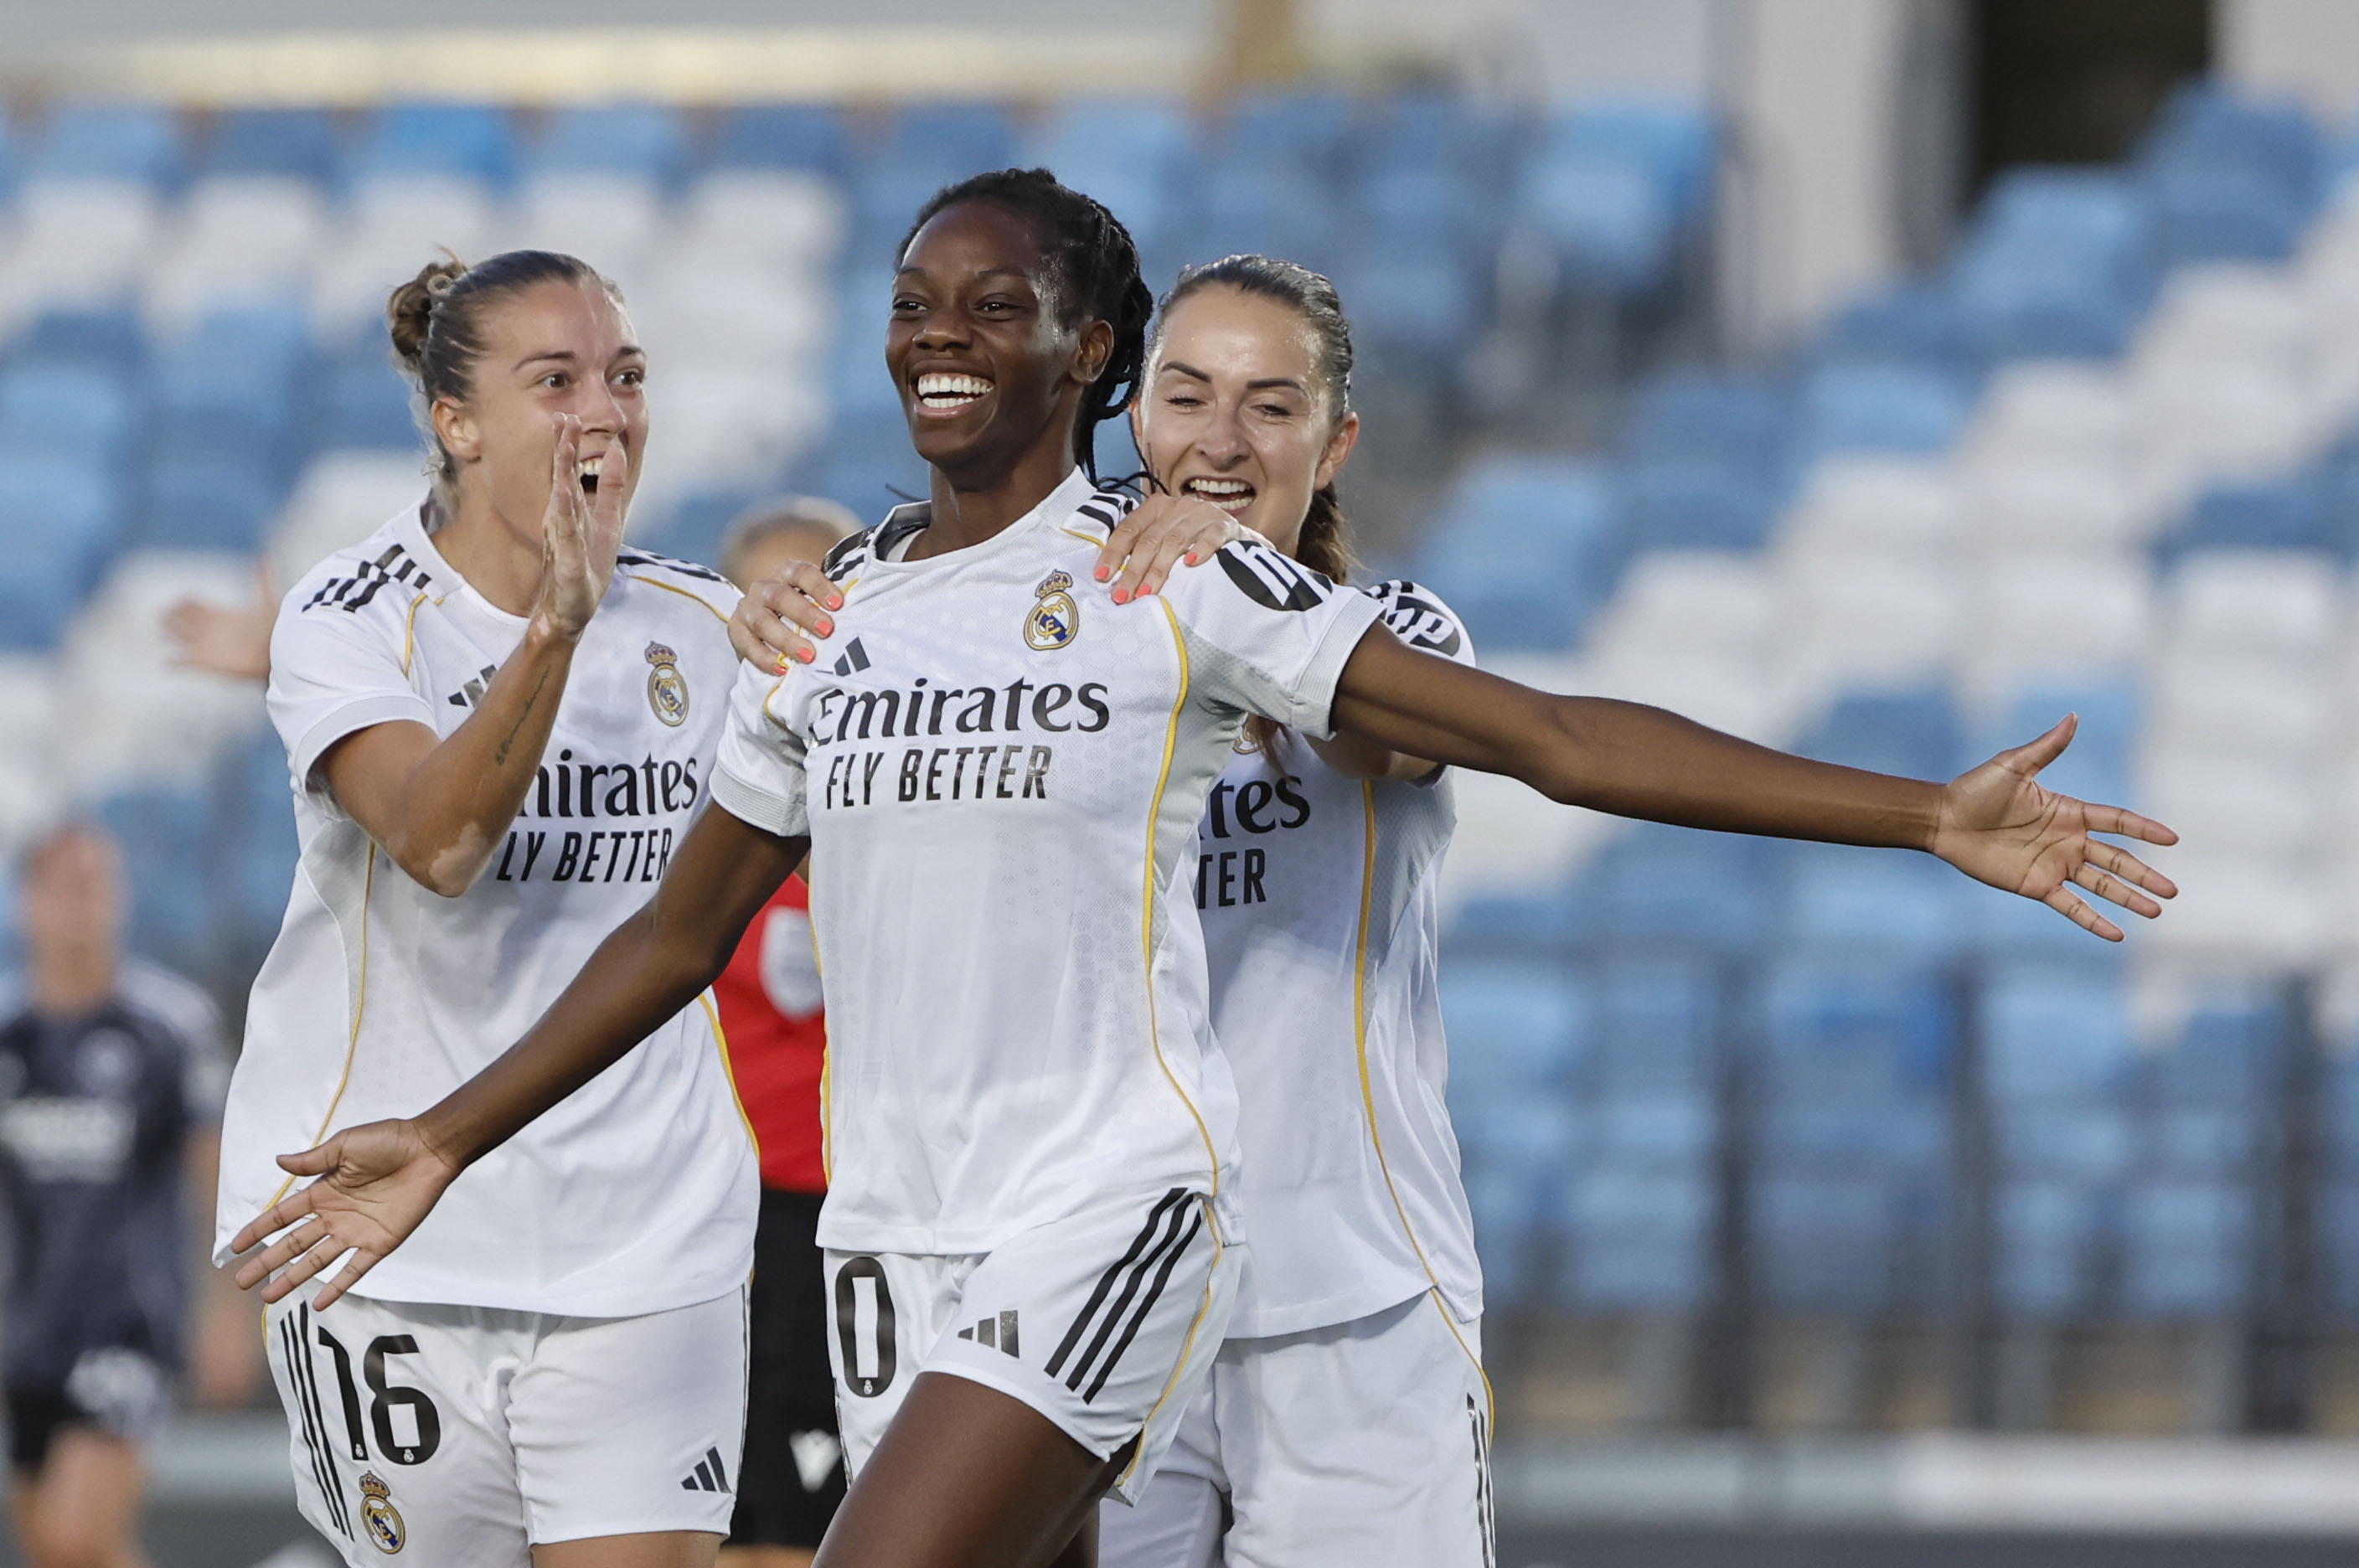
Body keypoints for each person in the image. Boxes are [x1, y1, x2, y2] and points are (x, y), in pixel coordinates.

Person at [228, 170, 2177, 1568]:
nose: (939, 333)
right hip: (898, 1247)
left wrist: (1920, 812)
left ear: (1090, 355)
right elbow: (678, 934)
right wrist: (447, 1136)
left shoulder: (1186, 588)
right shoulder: (835, 626)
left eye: (994, 305)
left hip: (1142, 1218)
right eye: (915, 300)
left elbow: (1552, 736)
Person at [214, 249, 765, 1568]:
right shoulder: (350, 617)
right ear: (457, 423)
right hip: (384, 1248)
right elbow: (441, 843)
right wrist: (554, 631)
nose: (605, 413)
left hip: (649, 1246)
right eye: (556, 381)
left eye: (627, 376)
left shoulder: (704, 625)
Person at [0, 823, 252, 1568]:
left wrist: (228, 1313)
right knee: (55, 1550)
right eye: (65, 886)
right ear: (26, 903)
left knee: (75, 1539)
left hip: (126, 1324)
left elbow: (217, 1173)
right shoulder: (11, 1036)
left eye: (98, 885)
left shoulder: (168, 1028)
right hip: (26, 1329)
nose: (83, 904)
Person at [710, 498, 861, 1568]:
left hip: (848, 1205)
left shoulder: (895, 791)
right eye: (765, 593)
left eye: (816, 590)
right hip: (717, 1206)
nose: (789, 617)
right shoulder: (686, 794)